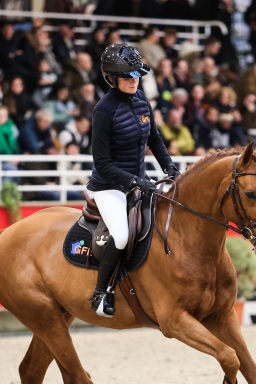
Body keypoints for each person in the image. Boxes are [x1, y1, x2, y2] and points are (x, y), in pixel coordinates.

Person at [87, 43, 178, 317]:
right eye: (128, 76)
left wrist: (169, 167)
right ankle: (101, 293)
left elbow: (155, 139)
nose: (134, 80)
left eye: (137, 75)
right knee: (122, 234)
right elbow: (102, 163)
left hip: (140, 180)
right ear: (112, 78)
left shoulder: (141, 100)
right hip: (108, 186)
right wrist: (135, 182)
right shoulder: (104, 111)